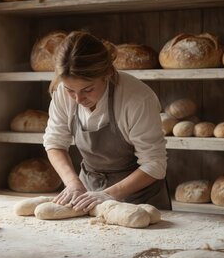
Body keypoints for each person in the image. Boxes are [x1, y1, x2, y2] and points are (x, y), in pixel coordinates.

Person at [43, 31, 170, 212]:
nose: (78, 99)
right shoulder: (62, 92)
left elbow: (154, 164)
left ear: (108, 74)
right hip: (87, 193)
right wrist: (72, 184)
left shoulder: (137, 98)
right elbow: (54, 143)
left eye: (88, 89)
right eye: (71, 90)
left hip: (139, 197)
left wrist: (108, 195)